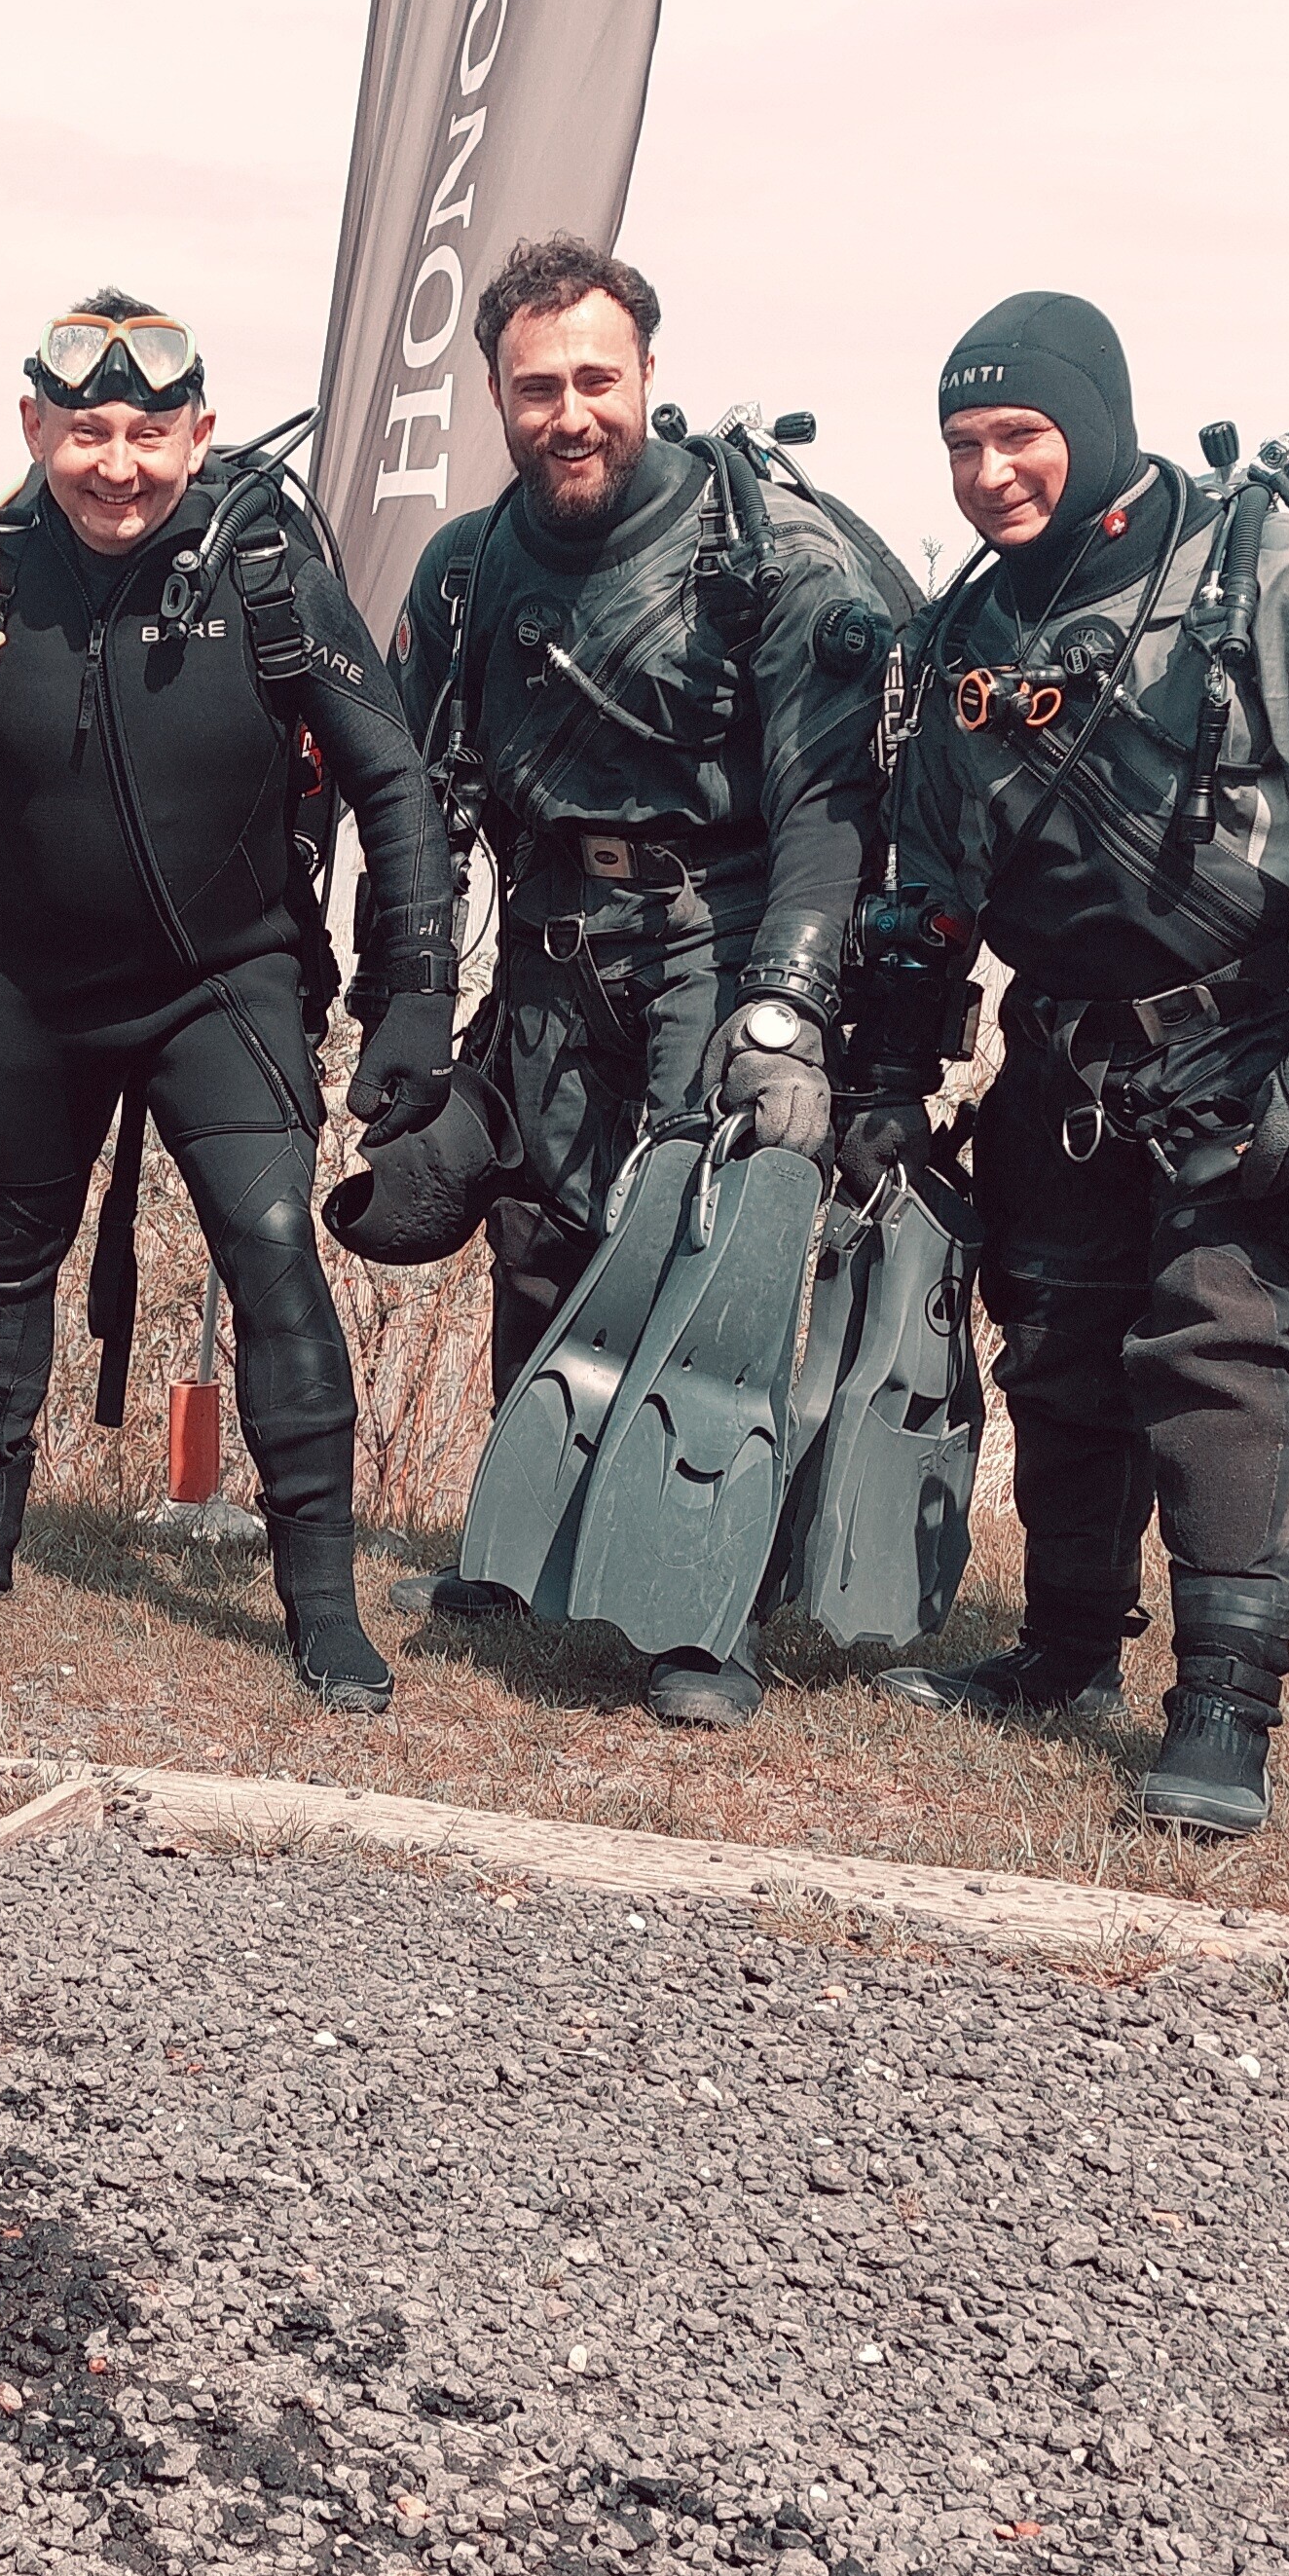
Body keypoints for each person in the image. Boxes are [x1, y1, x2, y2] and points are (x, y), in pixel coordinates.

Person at [0, 292, 458, 1711]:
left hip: (225, 985)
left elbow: (394, 780)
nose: (118, 466)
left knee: (273, 1244)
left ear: (200, 435)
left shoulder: (268, 574)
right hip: (26, 983)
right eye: (86, 432)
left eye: (150, 435)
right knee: (10, 1251)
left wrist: (415, 993)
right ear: (34, 426)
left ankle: (323, 1607)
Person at [864, 294, 1289, 1835]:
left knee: (1223, 1353)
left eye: (1020, 434)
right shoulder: (961, 636)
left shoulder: (1275, 566)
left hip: (1254, 1043)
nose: (990, 473)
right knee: (1058, 1347)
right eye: (963, 444)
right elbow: (930, 885)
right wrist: (890, 1077)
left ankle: (1226, 1711)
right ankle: (1065, 1654)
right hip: (1064, 1055)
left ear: (1095, 422)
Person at [385, 233, 902, 1727]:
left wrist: (788, 1004)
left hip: (718, 928)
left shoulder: (768, 562)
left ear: (649, 374)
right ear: (497, 394)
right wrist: (405, 992)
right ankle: (527, 1553)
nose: (571, 413)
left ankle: (703, 1619)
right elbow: (408, 800)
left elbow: (829, 811)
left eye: (596, 380)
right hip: (554, 933)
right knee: (546, 1237)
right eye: (537, 387)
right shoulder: (467, 569)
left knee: (715, 1254)